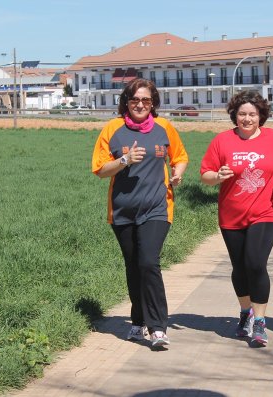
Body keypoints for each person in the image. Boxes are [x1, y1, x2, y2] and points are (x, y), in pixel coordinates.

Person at [92, 78, 188, 348]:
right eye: (135, 100)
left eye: (146, 100)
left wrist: (177, 174)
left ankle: (158, 327)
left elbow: (179, 157)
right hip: (122, 210)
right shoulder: (112, 129)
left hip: (157, 207)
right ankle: (137, 321)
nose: (140, 105)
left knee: (148, 262)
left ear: (153, 103)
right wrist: (123, 161)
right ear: (126, 102)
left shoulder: (164, 128)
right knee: (134, 267)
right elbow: (100, 170)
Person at [200, 90, 273, 347]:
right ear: (235, 115)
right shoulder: (222, 141)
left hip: (266, 211)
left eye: (252, 114)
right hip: (231, 214)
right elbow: (205, 174)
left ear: (261, 115)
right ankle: (245, 313)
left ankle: (261, 322)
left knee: (255, 263)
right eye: (242, 114)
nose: (247, 119)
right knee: (239, 267)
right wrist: (218, 176)